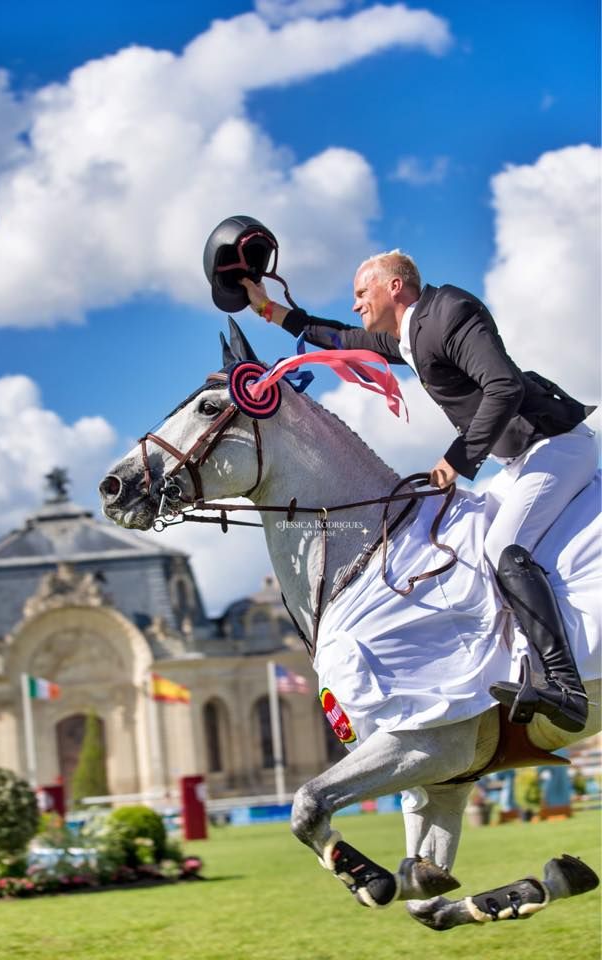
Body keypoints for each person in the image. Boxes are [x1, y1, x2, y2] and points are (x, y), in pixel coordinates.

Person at [240, 252, 597, 733]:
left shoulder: (450, 311)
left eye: (361, 293)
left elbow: (504, 387)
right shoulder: (410, 335)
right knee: (468, 542)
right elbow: (340, 340)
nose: (355, 303)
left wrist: (457, 458)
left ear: (393, 287)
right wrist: (266, 309)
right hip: (518, 459)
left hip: (555, 447)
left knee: (502, 548)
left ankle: (565, 687)